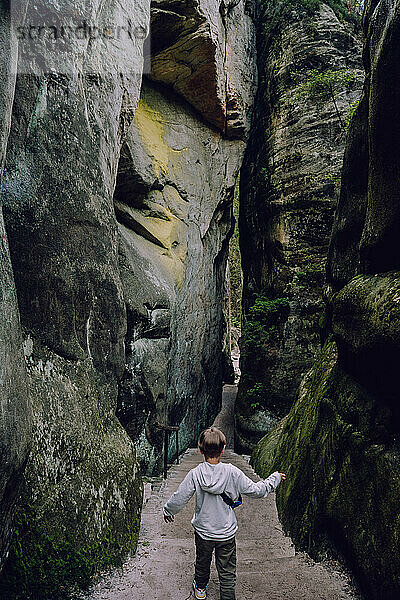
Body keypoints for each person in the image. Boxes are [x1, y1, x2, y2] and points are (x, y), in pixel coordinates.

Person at [163, 426, 286, 600]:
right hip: (226, 532)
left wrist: (168, 510)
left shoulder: (195, 474)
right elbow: (256, 490)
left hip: (204, 531)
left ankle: (200, 588)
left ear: (200, 450)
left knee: (202, 561)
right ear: (223, 450)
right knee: (227, 570)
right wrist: (274, 479)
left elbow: (180, 497)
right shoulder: (232, 472)